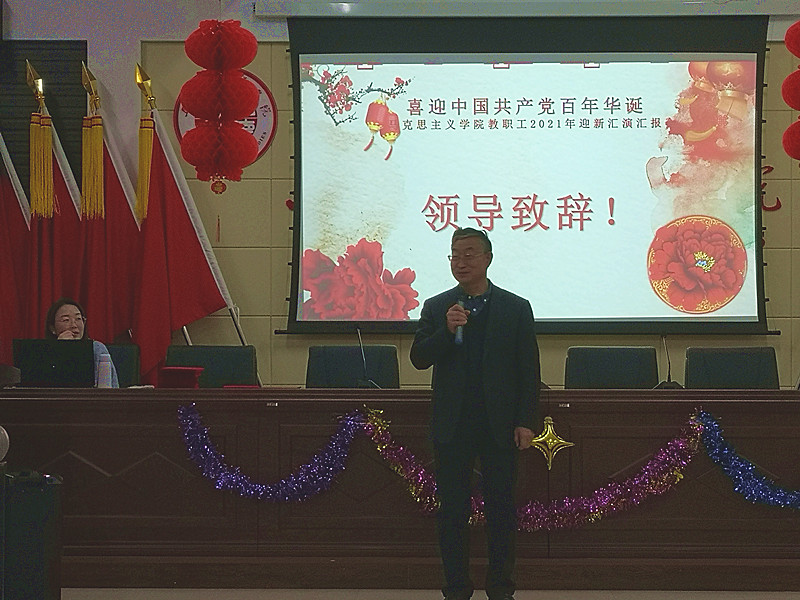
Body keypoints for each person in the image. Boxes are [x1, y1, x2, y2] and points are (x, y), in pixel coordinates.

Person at [410, 227, 540, 600]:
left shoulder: (516, 308)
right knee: (452, 512)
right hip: (453, 425)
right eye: (455, 254)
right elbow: (419, 358)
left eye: (469, 254)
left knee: (501, 511)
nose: (461, 262)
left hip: (500, 426)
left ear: (487, 259)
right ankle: (456, 588)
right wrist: (447, 330)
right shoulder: (437, 307)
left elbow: (528, 370)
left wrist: (526, 421)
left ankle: (500, 588)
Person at [45, 297, 119, 388]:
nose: (74, 325)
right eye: (66, 320)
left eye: (78, 319)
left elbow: (112, 388)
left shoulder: (97, 349)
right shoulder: (45, 353)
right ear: (52, 328)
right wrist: (59, 349)